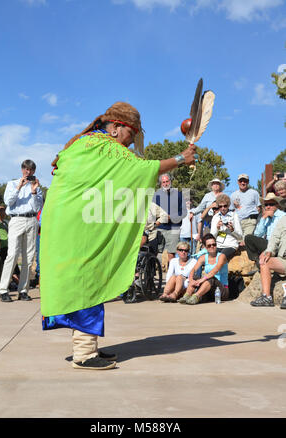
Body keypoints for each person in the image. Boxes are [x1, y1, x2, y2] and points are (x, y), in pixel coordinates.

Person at [40, 101, 197, 371]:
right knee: (88, 282)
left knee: (82, 281)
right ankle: (85, 354)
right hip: (81, 228)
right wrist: (181, 159)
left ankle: (86, 345)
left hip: (66, 223)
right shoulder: (105, 148)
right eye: (130, 135)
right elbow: (142, 170)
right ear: (115, 127)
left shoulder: (82, 144)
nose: (130, 142)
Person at [0, 160, 43, 302]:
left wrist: (34, 191)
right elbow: (8, 202)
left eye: (31, 170)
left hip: (31, 220)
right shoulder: (12, 184)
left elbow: (37, 208)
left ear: (34, 171)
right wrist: (19, 187)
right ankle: (3, 290)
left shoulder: (36, 186)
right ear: (22, 169)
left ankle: (23, 290)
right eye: (26, 169)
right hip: (16, 219)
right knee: (12, 255)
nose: (28, 172)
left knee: (29, 258)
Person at [179, 233, 229, 305]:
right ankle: (187, 296)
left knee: (211, 278)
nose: (212, 247)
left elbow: (215, 270)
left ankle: (196, 297)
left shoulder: (222, 256)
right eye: (209, 245)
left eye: (214, 244)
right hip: (209, 291)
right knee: (196, 277)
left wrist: (202, 279)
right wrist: (191, 279)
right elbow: (193, 269)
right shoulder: (203, 257)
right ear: (205, 247)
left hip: (222, 291)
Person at [250, 215, 286, 308]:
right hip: (283, 259)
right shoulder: (284, 219)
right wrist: (269, 251)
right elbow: (275, 237)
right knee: (264, 262)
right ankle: (266, 297)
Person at [244, 193, 286, 272]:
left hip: (278, 245)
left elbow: (280, 237)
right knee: (248, 238)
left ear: (277, 205)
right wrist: (263, 218)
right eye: (266, 205)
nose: (268, 207)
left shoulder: (282, 216)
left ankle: (263, 263)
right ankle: (257, 262)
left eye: (271, 204)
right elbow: (257, 234)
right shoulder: (266, 217)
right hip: (268, 243)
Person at [153, 174, 187, 263]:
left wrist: (171, 217)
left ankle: (172, 275)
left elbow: (182, 212)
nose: (165, 184)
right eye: (163, 182)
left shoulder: (178, 194)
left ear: (170, 182)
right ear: (161, 184)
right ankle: (153, 273)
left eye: (167, 181)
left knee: (171, 253)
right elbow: (152, 211)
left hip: (174, 228)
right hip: (160, 227)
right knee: (155, 251)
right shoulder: (156, 195)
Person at [0, 205, 21, 289]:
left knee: (15, 264)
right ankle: (18, 283)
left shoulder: (6, 222)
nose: (2, 212)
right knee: (10, 265)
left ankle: (19, 282)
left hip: (8, 246)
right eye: (0, 211)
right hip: (1, 247)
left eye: (3, 210)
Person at [210, 194, 243, 261]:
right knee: (204, 257)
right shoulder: (215, 217)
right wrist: (217, 228)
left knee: (221, 257)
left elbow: (240, 236)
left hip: (231, 245)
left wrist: (232, 230)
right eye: (220, 206)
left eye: (225, 206)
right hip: (218, 245)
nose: (223, 208)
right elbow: (212, 237)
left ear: (228, 205)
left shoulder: (234, 215)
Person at [230, 174, 260, 239]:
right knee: (238, 241)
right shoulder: (233, 195)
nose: (243, 183)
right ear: (238, 182)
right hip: (237, 222)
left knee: (246, 240)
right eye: (241, 181)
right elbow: (231, 210)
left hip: (250, 221)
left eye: (245, 181)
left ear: (248, 182)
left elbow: (259, 207)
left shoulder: (254, 193)